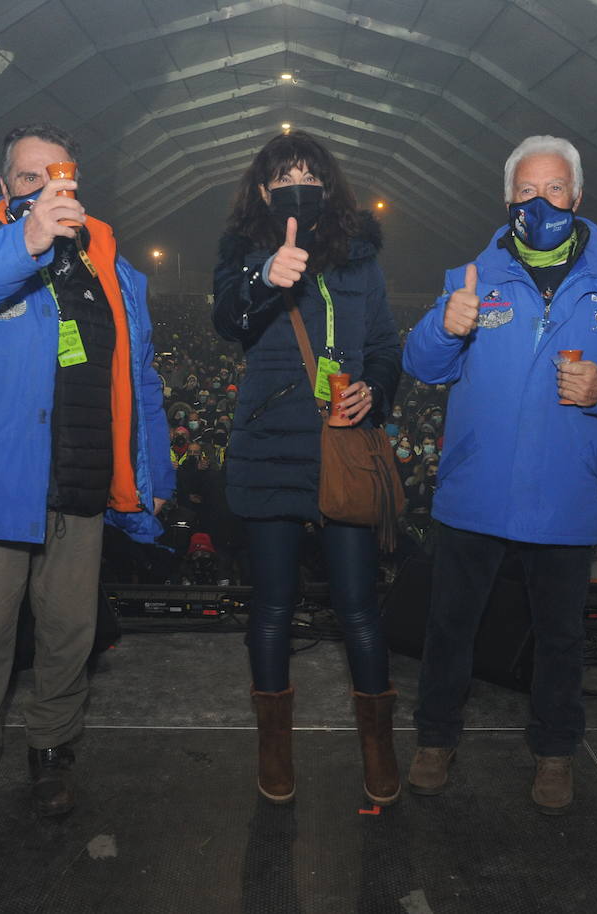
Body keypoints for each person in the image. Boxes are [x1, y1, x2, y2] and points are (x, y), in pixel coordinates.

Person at [0, 122, 174, 836]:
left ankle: (52, 755)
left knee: (68, 635)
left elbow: (137, 376)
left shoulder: (111, 265)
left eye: (58, 176)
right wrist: (23, 242)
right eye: (29, 177)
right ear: (5, 187)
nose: (46, 188)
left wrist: (155, 473)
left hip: (82, 481)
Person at [401, 135, 597, 813]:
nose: (541, 202)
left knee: (560, 639)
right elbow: (422, 363)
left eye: (555, 190)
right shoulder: (471, 277)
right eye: (527, 190)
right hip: (475, 494)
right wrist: (446, 324)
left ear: (578, 197)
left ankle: (555, 754)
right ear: (508, 199)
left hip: (564, 499)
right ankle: (435, 741)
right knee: (449, 630)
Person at [213, 131, 402, 806]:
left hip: (339, 448)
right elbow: (228, 318)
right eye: (283, 174)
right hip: (269, 451)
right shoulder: (242, 252)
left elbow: (384, 346)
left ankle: (378, 751)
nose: (297, 182)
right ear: (263, 190)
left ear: (328, 186)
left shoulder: (360, 259)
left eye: (309, 173)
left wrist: (373, 390)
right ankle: (274, 752)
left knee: (358, 608)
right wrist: (267, 277)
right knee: (272, 608)